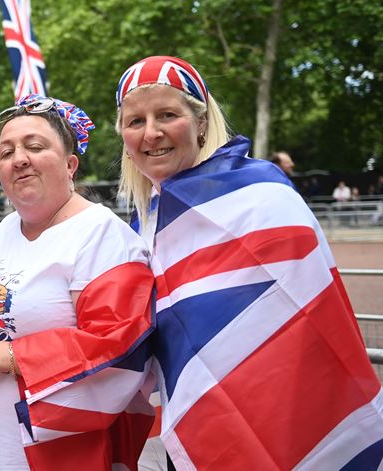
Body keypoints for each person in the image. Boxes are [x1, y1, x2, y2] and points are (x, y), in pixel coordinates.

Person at [115, 55, 383, 469]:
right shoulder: (139, 227)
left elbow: (315, 309)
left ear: (201, 122)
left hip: (291, 412)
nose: (152, 133)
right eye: (136, 122)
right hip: (194, 420)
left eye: (167, 114)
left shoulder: (262, 192)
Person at [0, 93, 156, 470]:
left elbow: (120, 344)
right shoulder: (6, 228)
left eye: (34, 146)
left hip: (47, 456)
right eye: (5, 152)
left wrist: (9, 357)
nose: (18, 158)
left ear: (71, 164)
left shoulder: (102, 235)